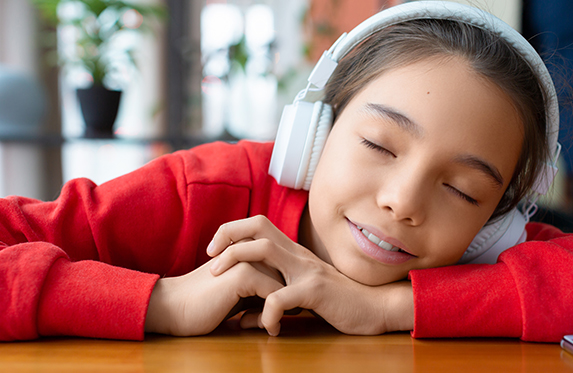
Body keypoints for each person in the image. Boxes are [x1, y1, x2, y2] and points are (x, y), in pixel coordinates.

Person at [1, 1, 571, 342]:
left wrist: (386, 309)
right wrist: (162, 303)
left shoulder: (487, 252)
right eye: (377, 143)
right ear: (313, 135)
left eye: (461, 190)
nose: (403, 201)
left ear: (496, 225)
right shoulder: (206, 188)